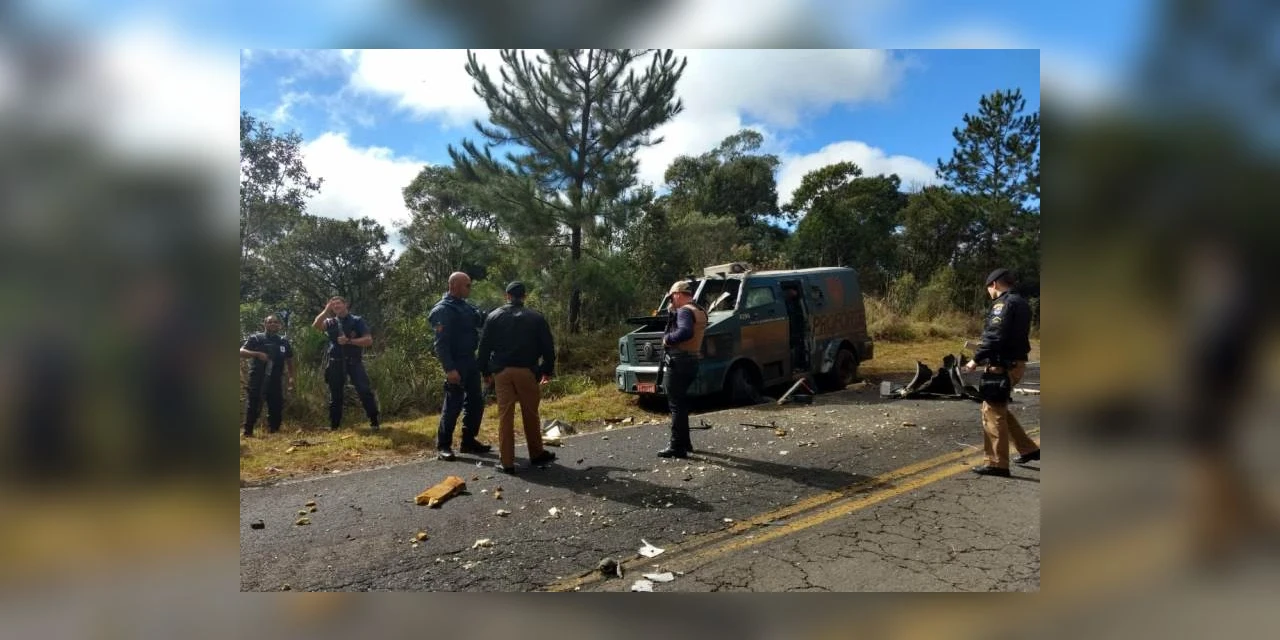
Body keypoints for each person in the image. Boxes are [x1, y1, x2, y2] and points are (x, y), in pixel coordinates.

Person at [476, 281, 558, 473]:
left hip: (502, 372)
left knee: (505, 416)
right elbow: (548, 347)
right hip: (527, 371)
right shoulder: (536, 317)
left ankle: (507, 462)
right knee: (531, 414)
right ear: (524, 296)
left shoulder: (494, 316)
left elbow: (484, 347)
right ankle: (536, 453)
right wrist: (546, 370)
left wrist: (485, 372)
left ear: (507, 296)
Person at [964, 268, 1039, 476]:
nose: (988, 292)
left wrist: (975, 360)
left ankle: (997, 464)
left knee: (991, 411)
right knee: (999, 407)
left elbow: (995, 336)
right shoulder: (1021, 302)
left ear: (994, 284)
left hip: (1003, 365)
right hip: (1016, 362)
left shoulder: (1002, 304)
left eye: (988, 287)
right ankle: (1028, 449)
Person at [429, 272, 492, 460]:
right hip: (456, 362)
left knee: (475, 402)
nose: (470, 288)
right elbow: (440, 344)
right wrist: (449, 369)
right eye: (467, 285)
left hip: (470, 360)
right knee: (453, 404)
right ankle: (444, 445)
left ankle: (468, 441)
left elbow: (482, 319)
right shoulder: (443, 310)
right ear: (454, 285)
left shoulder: (466, 306)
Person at [311, 296, 380, 432]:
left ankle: (374, 422)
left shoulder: (357, 320)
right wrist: (326, 311)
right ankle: (334, 426)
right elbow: (316, 326)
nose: (336, 306)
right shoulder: (330, 322)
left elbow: (368, 340)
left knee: (364, 390)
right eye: (333, 304)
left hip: (354, 362)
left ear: (345, 304)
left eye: (338, 303)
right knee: (335, 395)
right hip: (335, 362)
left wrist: (349, 341)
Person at [658, 280, 708, 458]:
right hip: (692, 360)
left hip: (679, 361)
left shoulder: (684, 311)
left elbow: (686, 332)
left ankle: (676, 446)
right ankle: (685, 443)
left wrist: (668, 339)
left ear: (678, 294)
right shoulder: (699, 310)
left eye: (671, 297)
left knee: (675, 405)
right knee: (681, 403)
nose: (671, 301)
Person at [240, 314, 296, 437]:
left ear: (279, 325)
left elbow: (290, 359)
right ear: (265, 324)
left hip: (276, 378)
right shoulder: (256, 338)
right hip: (258, 377)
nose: (273, 324)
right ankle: (248, 431)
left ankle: (274, 431)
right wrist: (257, 354)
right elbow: (241, 351)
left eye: (275, 322)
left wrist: (291, 377)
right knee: (253, 403)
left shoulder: (283, 341)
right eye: (270, 322)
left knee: (276, 404)